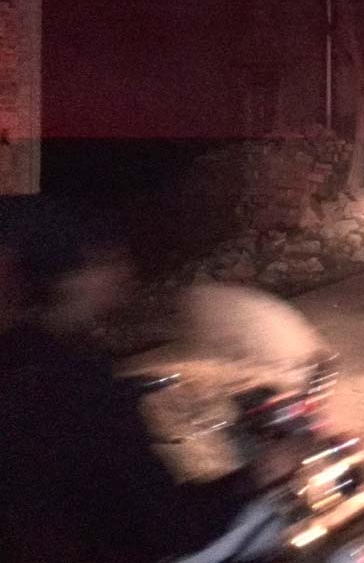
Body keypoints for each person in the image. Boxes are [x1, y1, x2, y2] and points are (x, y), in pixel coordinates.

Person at [0, 197, 276, 563]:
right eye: (106, 260)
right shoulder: (80, 387)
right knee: (271, 522)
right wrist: (259, 474)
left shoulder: (21, 358)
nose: (123, 272)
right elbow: (172, 525)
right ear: (71, 277)